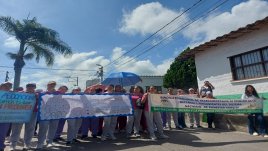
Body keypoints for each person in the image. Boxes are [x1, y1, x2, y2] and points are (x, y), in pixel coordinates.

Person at [10, 83, 38, 150]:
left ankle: (27, 145)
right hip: (20, 113)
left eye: (32, 87)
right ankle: (13, 145)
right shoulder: (20, 93)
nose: (30, 88)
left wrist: (37, 97)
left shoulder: (38, 95)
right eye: (29, 87)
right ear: (26, 87)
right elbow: (12, 98)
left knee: (30, 130)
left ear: (35, 88)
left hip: (33, 113)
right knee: (16, 129)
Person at [37, 81, 60, 149]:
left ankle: (50, 142)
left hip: (55, 113)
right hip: (45, 113)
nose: (51, 85)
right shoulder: (42, 93)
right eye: (50, 84)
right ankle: (40, 143)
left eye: (53, 84)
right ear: (47, 85)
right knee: (43, 128)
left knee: (53, 128)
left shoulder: (58, 93)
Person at [0, 83, 13, 151]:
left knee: (2, 133)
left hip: (6, 117)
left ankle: (1, 146)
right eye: (4, 86)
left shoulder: (13, 95)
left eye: (8, 87)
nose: (6, 88)